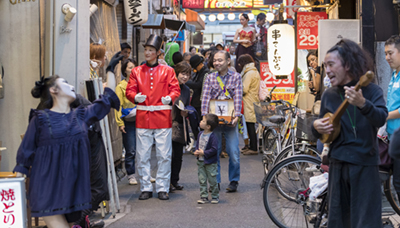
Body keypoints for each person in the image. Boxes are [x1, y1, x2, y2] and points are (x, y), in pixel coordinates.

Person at [13, 75, 119, 228]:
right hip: (47, 187)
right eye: (65, 83)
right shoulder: (40, 119)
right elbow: (26, 150)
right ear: (53, 90)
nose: (71, 86)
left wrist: (110, 71)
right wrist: (18, 183)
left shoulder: (81, 115)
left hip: (74, 189)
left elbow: (107, 99)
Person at [311, 39, 387, 227]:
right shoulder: (329, 95)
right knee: (338, 220)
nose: (326, 70)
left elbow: (380, 119)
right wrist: (316, 127)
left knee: (366, 221)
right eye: (325, 65)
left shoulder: (371, 91)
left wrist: (363, 104)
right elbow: (322, 133)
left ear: (347, 65)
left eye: (331, 64)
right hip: (338, 165)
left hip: (365, 165)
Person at [126, 34, 181, 201]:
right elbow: (129, 90)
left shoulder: (168, 71)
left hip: (163, 117)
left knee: (164, 155)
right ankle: (146, 187)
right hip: (143, 117)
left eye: (151, 50)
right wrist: (135, 97)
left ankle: (163, 187)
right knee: (142, 155)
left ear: (158, 53)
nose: (147, 53)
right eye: (146, 50)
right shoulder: (136, 71)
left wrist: (170, 98)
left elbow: (176, 90)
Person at [201, 50, 243, 192]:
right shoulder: (210, 78)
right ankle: (215, 181)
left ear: (228, 61)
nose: (216, 63)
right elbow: (205, 98)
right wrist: (204, 117)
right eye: (215, 60)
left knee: (233, 152)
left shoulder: (236, 77)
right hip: (214, 121)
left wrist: (237, 115)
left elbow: (238, 96)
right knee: (214, 151)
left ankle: (234, 180)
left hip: (230, 119)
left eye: (220, 60)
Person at [115, 58, 138, 185]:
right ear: (124, 70)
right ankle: (131, 174)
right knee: (131, 149)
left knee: (144, 148)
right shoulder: (121, 87)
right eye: (130, 67)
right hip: (128, 120)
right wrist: (120, 123)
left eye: (134, 67)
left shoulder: (140, 84)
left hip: (141, 119)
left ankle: (145, 174)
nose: (132, 70)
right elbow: (117, 106)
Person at [170, 61, 192, 191]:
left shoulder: (187, 89)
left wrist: (186, 112)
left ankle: (175, 181)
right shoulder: (169, 86)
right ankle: (168, 182)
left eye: (187, 74)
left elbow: (187, 105)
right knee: (168, 155)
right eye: (183, 74)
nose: (185, 77)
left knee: (178, 155)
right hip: (167, 124)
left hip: (179, 124)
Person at [384, 35, 400, 201]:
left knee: (399, 183)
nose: (387, 57)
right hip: (392, 136)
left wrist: (385, 116)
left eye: (390, 53)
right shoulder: (395, 74)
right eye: (385, 54)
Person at [237, 54, 260, 155]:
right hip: (251, 100)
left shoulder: (249, 73)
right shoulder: (252, 71)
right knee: (248, 124)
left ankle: (253, 148)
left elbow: (244, 88)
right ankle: (250, 146)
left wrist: (237, 89)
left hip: (248, 101)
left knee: (250, 124)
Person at [194, 114, 220, 204]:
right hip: (200, 161)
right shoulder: (200, 134)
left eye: (203, 121)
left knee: (212, 180)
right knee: (202, 179)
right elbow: (198, 144)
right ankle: (203, 196)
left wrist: (204, 153)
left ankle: (215, 196)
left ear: (208, 126)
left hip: (211, 162)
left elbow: (214, 149)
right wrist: (196, 151)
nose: (200, 122)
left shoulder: (213, 137)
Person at [187, 55, 210, 126]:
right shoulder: (199, 71)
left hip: (200, 102)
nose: (195, 69)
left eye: (195, 67)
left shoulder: (206, 72)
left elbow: (199, 84)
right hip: (196, 101)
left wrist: (187, 83)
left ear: (200, 64)